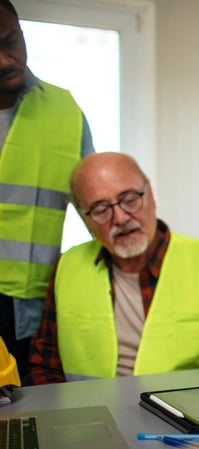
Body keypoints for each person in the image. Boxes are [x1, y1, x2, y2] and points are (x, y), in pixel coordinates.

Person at [26, 152, 199, 384]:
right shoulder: (67, 266)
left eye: (130, 199)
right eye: (101, 210)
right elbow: (45, 365)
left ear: (151, 195)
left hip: (182, 416)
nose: (121, 218)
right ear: (86, 221)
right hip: (85, 414)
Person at [0, 0, 95, 381]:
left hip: (33, 306)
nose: (6, 60)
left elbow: (97, 203)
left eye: (11, 41)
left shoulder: (64, 108)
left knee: (28, 417)